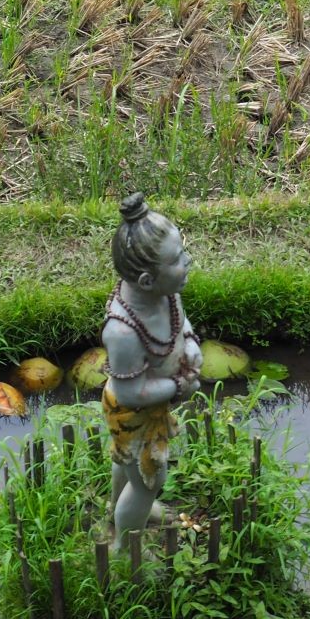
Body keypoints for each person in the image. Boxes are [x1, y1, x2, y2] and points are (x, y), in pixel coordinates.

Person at [102, 192, 202, 544]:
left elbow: (181, 324)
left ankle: (120, 505)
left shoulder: (167, 293)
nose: (188, 261)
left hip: (149, 404)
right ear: (146, 280)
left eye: (183, 251)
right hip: (132, 411)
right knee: (148, 481)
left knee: (126, 463)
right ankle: (125, 546)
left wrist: (190, 344)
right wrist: (178, 386)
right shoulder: (123, 332)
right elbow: (129, 390)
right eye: (178, 259)